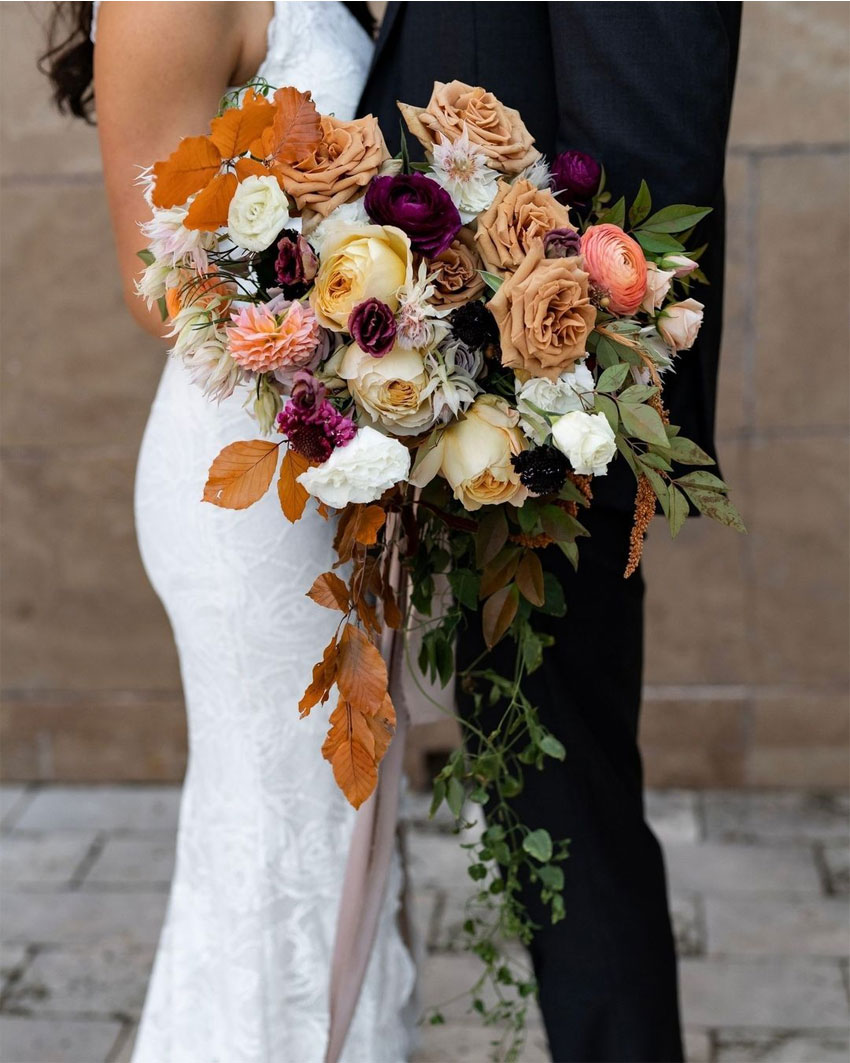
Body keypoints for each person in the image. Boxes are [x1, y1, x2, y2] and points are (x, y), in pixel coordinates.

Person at [357, 4, 741, 1062]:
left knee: (569, 809)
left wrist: (568, 422)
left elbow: (646, 128)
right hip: (471, 414)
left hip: (545, 434)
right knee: (548, 792)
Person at [41, 4, 415, 1062]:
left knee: (336, 839)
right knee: (278, 838)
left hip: (336, 454)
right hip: (247, 483)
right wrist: (375, 327)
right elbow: (154, 279)